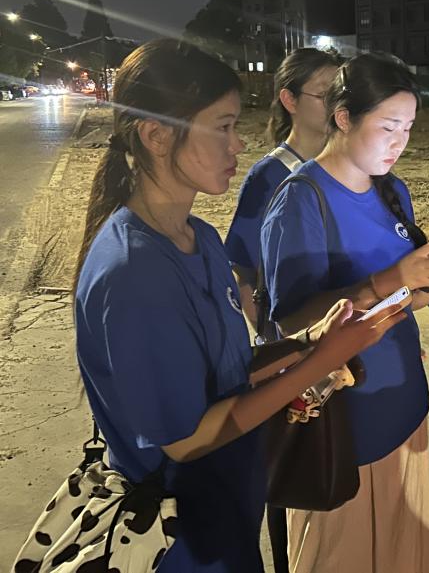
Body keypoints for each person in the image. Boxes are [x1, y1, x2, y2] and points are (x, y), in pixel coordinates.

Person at [73, 40, 405, 572]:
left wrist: (309, 342)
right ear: (157, 135)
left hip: (227, 512)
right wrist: (324, 360)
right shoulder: (134, 273)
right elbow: (187, 439)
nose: (239, 142)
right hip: (179, 540)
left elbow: (228, 371)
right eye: (222, 126)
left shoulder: (199, 237)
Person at [261, 53, 429, 573]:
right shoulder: (301, 199)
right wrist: (390, 278)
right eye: (387, 126)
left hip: (403, 411)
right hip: (341, 429)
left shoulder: (391, 189)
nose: (400, 142)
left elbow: (398, 303)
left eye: (408, 127)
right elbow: (291, 323)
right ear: (343, 117)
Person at [226, 47, 341, 324]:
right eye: (325, 95)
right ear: (290, 100)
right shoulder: (268, 176)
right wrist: (273, 340)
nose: (337, 104)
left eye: (340, 94)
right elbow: (245, 273)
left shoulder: (351, 168)